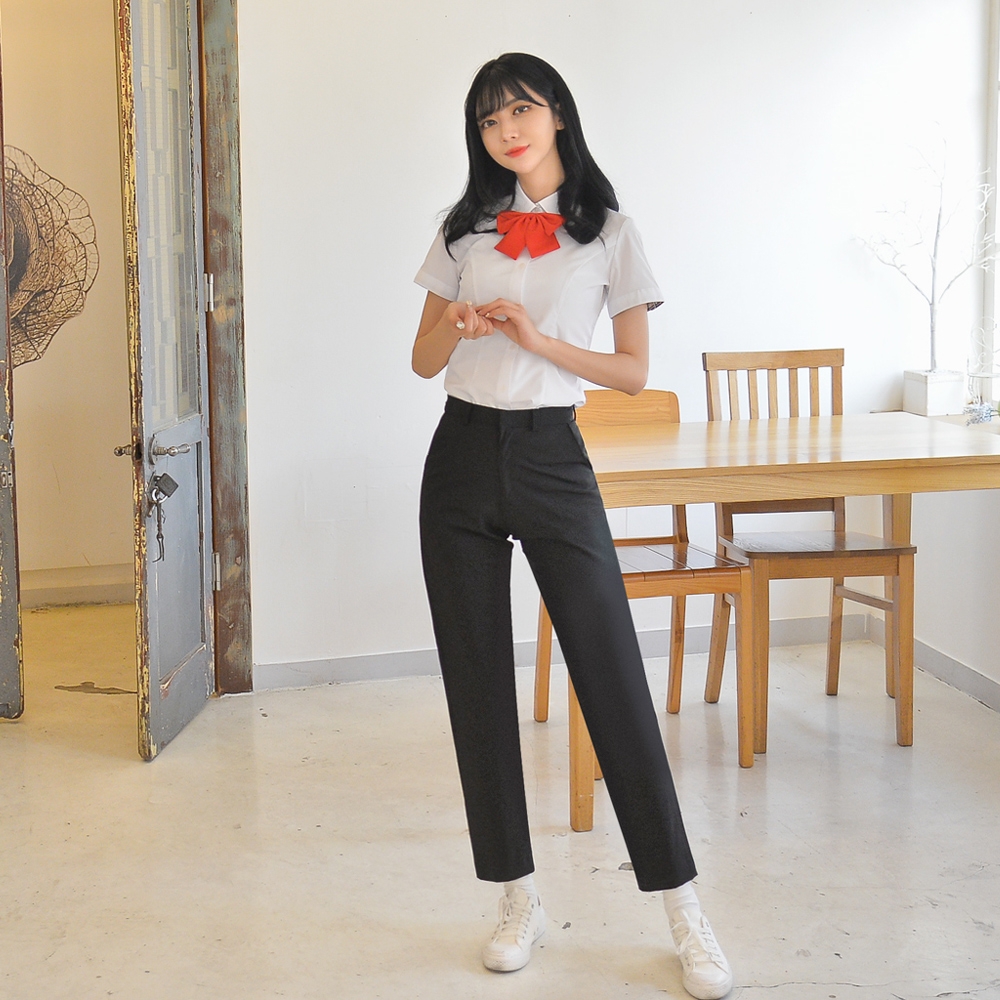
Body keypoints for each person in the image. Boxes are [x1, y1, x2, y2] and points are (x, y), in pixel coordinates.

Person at [411, 52, 733, 1000]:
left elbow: (632, 373)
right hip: (460, 458)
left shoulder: (611, 233)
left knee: (613, 678)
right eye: (488, 119)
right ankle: (516, 897)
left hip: (552, 457)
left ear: (557, 114)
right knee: (477, 683)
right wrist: (460, 322)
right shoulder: (463, 228)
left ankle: (683, 908)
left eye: (520, 109)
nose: (506, 130)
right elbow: (421, 359)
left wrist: (537, 339)